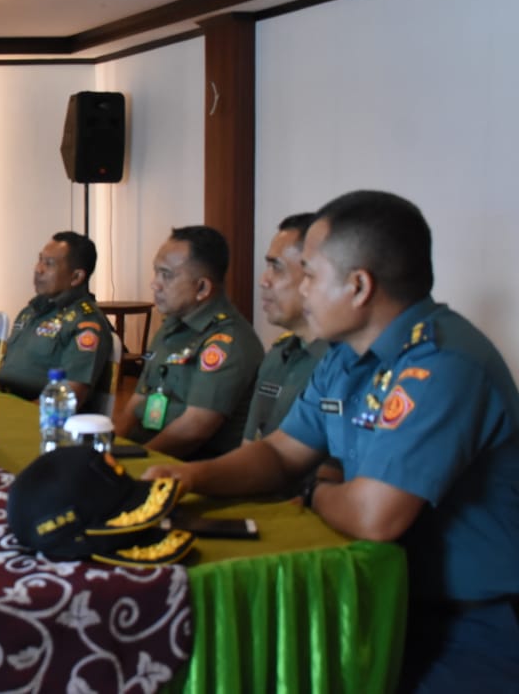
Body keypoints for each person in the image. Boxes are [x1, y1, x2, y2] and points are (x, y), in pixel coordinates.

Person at [143, 191, 519, 691]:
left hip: (463, 625)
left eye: (311, 275)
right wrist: (192, 476)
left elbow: (374, 516)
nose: (300, 289)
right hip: (372, 596)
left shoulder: (442, 364)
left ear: (358, 286)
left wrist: (312, 492)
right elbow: (282, 452)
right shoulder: (345, 357)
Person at [112, 225, 262, 459]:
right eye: (156, 272)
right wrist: (108, 449)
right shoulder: (171, 326)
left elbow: (193, 431)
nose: (155, 284)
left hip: (186, 466)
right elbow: (136, 403)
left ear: (202, 287)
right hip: (141, 452)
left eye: (166, 275)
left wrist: (134, 460)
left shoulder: (228, 341)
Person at [0, 232, 113, 407]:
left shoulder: (85, 324)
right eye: (40, 260)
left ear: (76, 277)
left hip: (38, 415)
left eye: (49, 264)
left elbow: (67, 397)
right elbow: (8, 370)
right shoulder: (30, 311)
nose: (38, 269)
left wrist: (14, 413)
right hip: (4, 403)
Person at [243, 213, 330, 442]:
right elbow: (251, 446)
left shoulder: (342, 362)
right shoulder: (277, 355)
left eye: (277, 267)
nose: (263, 281)